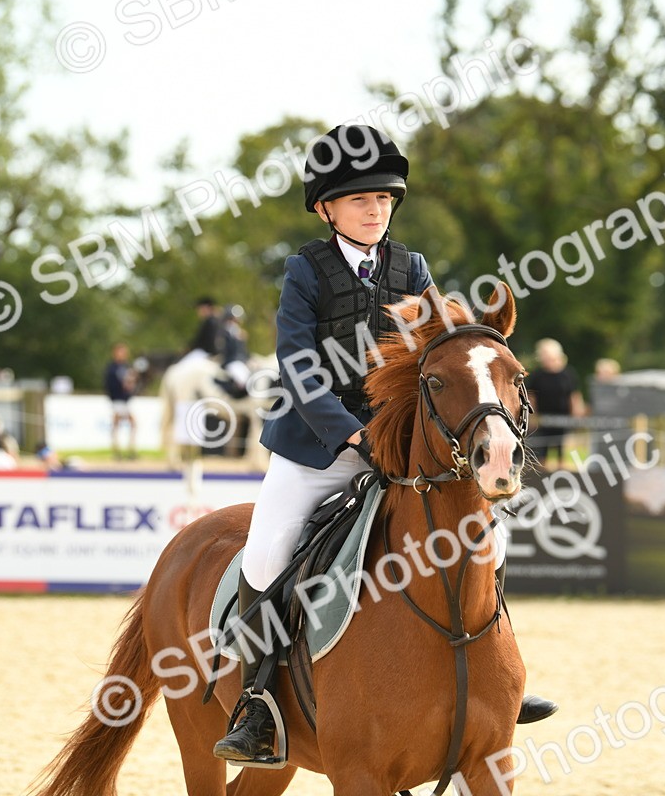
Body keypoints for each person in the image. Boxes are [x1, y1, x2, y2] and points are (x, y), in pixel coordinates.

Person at [212, 124, 556, 764]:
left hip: (396, 446)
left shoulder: (411, 269)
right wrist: (349, 433)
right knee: (264, 556)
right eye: (359, 200)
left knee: (490, 536)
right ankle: (258, 703)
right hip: (315, 449)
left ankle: (493, 678)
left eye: (384, 200)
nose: (374, 210)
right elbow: (298, 364)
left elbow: (438, 351)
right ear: (327, 208)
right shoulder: (304, 272)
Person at [526, 339, 586, 467]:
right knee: (541, 452)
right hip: (542, 419)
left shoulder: (568, 374)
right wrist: (532, 415)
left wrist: (577, 413)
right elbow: (532, 397)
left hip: (563, 419)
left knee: (561, 451)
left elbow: (574, 395)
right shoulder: (537, 375)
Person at [104, 342, 137, 460]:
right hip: (117, 400)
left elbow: (132, 382)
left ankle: (130, 449)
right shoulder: (112, 368)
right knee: (116, 423)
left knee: (133, 423)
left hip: (125, 400)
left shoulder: (127, 367)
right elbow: (109, 384)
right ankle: (116, 450)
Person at [215, 304, 251, 398]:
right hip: (232, 361)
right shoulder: (225, 333)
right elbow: (224, 350)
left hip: (241, 360)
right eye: (234, 319)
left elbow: (243, 351)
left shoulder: (238, 332)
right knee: (243, 379)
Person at [184, 297, 223, 362]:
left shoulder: (209, 322)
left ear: (206, 308)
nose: (198, 311)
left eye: (199, 308)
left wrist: (187, 349)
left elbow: (198, 342)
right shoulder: (217, 321)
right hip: (214, 354)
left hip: (204, 354)